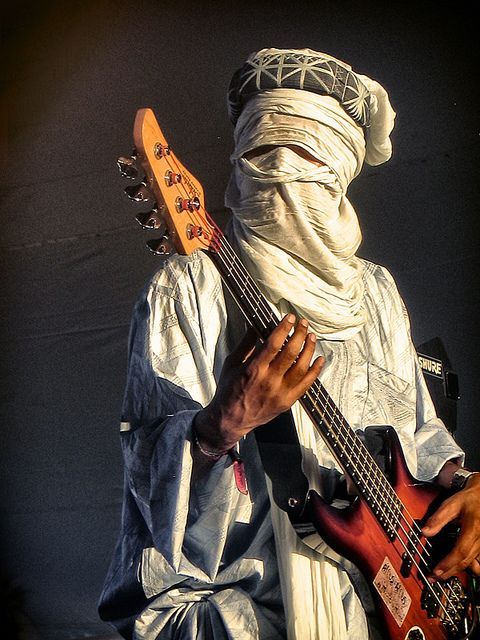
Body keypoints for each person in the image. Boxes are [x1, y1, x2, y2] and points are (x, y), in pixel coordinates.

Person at [99, 48, 480, 639]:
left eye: (303, 155)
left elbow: (420, 435)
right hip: (260, 613)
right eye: (258, 152)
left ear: (340, 170)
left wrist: (467, 485)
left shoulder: (376, 292)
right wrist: (219, 427)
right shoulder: (190, 287)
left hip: (394, 603)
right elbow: (146, 473)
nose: (277, 170)